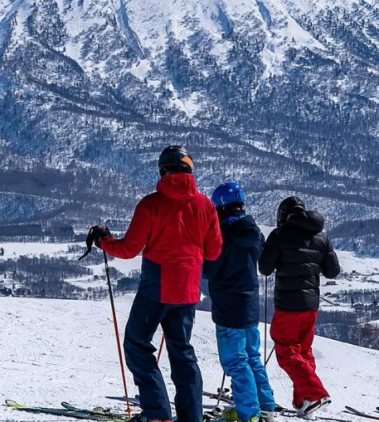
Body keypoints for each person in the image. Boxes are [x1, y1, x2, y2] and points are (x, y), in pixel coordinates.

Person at [88, 146, 223, 422]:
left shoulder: (151, 204)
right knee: (181, 350)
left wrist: (103, 240)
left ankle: (158, 413)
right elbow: (213, 252)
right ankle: (191, 416)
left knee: (137, 343)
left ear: (163, 171)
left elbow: (128, 249)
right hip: (188, 290)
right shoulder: (206, 205)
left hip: (157, 285)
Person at [257, 196, 339, 418]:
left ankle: (315, 394)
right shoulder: (321, 237)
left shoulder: (279, 235)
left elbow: (265, 268)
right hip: (311, 305)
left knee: (286, 351)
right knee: (303, 351)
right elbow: (332, 271)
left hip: (288, 305)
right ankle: (303, 401)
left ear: (284, 215)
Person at [202, 182, 277, 422]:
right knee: (252, 356)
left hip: (228, 304)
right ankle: (265, 406)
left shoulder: (221, 233)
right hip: (250, 301)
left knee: (236, 361)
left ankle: (249, 413)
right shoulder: (253, 231)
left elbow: (209, 269)